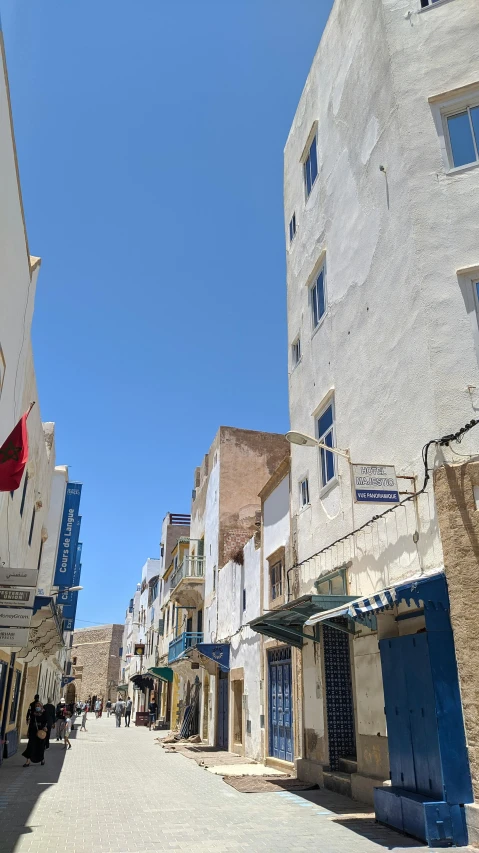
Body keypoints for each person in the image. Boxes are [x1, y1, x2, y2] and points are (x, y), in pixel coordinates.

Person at [22, 701, 48, 767]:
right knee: (30, 746)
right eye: (36, 706)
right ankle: (28, 761)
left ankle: (42, 759)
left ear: (41, 706)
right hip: (33, 732)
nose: (37, 707)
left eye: (38, 706)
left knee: (40, 747)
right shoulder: (33, 713)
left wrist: (45, 727)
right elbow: (31, 723)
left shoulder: (44, 713)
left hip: (41, 732)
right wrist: (28, 731)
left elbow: (46, 721)